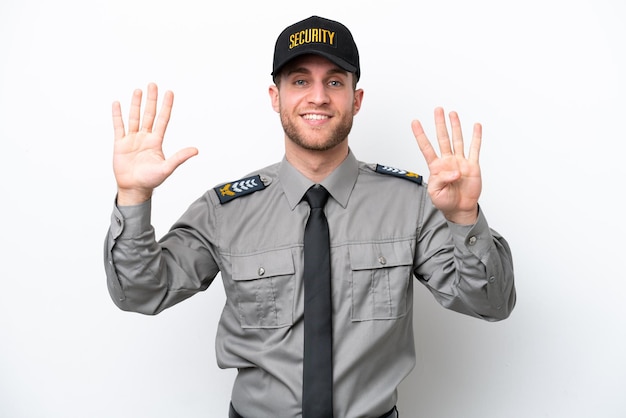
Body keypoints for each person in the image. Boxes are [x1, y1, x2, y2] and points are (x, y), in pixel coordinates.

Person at [104, 15, 516, 418]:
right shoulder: (225, 211)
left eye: (334, 81)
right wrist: (134, 196)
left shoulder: (412, 204)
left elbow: (491, 304)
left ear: (356, 99)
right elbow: (140, 293)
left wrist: (464, 217)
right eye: (300, 81)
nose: (318, 96)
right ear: (275, 97)